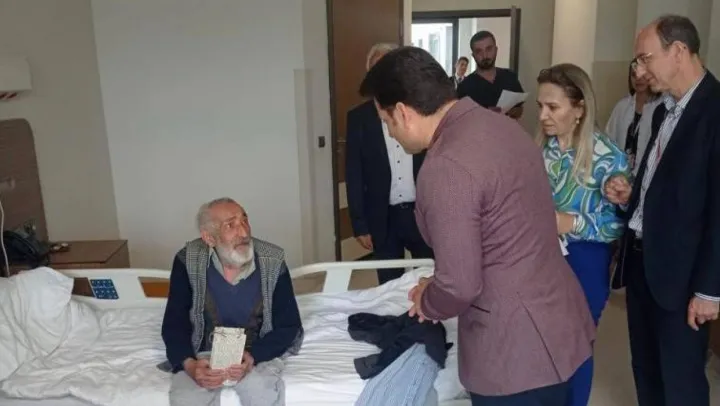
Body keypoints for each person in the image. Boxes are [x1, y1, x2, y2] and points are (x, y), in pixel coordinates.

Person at [359, 46, 595, 406]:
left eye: (387, 122)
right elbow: (502, 233)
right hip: (558, 320)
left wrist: (428, 300)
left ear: (403, 113)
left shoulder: (446, 166)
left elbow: (459, 286)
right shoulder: (501, 125)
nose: (390, 133)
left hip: (515, 351)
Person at [605, 15, 720, 406]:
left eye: (645, 58)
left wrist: (709, 290)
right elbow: (665, 184)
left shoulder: (714, 112)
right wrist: (632, 196)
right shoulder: (663, 110)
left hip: (683, 276)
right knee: (647, 369)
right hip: (644, 264)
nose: (639, 70)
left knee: (681, 381)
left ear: (679, 52)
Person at [536, 63, 630, 406]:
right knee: (541, 341)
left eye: (553, 107)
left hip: (585, 260)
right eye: (541, 106)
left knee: (576, 345)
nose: (543, 116)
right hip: (541, 259)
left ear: (579, 109)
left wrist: (572, 223)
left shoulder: (607, 158)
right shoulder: (541, 150)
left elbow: (619, 223)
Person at [161, 197, 303, 406]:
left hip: (257, 353)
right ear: (209, 238)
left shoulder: (273, 260)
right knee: (187, 399)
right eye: (231, 225)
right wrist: (190, 365)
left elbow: (289, 325)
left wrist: (253, 356)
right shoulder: (188, 260)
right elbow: (174, 323)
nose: (244, 232)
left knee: (260, 393)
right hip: (203, 353)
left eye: (244, 220)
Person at [346, 43, 433, 285]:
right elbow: (354, 173)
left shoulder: (421, 110)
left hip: (421, 212)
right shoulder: (359, 118)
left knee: (429, 278)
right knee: (389, 284)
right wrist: (359, 224)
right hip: (382, 216)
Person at [605, 64, 662, 174]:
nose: (638, 79)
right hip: (621, 172)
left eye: (643, 75)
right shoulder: (622, 106)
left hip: (648, 173)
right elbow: (609, 139)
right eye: (634, 75)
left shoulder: (660, 107)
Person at [457, 30, 524, 119]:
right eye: (479, 51)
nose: (485, 55)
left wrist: (510, 111)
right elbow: (461, 120)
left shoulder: (510, 77)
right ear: (473, 55)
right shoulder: (464, 87)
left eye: (489, 49)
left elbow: (519, 109)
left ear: (496, 50)